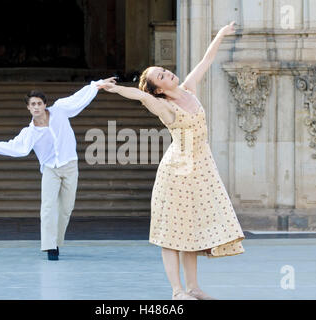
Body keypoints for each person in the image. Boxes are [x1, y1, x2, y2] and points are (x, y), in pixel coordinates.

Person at [98, 21, 244, 300]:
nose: (168, 74)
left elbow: (206, 59)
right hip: (177, 171)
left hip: (201, 169)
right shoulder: (164, 106)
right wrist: (112, 89)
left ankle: (194, 288)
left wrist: (221, 35)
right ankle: (177, 291)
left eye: (165, 71)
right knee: (172, 233)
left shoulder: (188, 90)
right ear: (159, 90)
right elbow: (139, 94)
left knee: (192, 230)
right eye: (161, 76)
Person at [0, 77, 116, 260]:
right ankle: (50, 247)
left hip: (70, 165)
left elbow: (78, 98)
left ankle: (57, 242)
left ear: (45, 105)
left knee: (66, 208)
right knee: (48, 207)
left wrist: (97, 85)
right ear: (28, 107)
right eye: (32, 104)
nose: (36, 107)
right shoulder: (30, 132)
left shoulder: (59, 110)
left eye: (39, 103)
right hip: (50, 169)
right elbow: (16, 147)